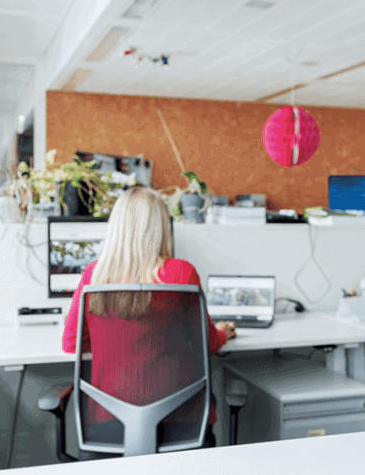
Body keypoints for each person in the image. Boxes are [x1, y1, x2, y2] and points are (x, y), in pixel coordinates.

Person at [62, 186, 236, 448]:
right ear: (161, 228)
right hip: (181, 421)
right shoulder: (180, 272)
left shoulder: (94, 275)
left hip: (110, 422)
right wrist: (222, 332)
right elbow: (207, 344)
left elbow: (72, 343)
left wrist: (115, 341)